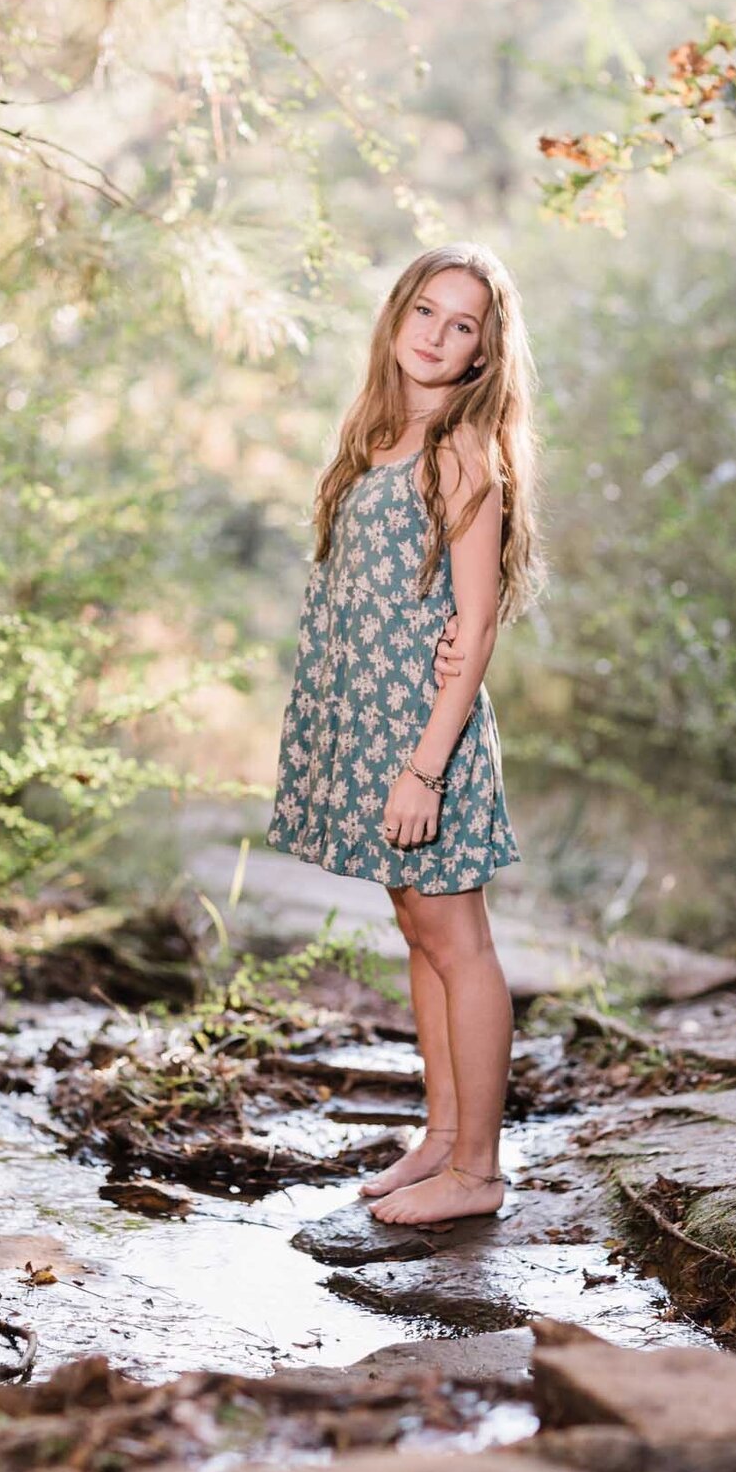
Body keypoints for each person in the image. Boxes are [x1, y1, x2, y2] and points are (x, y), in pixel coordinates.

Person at [265, 241, 543, 1227]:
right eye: (426, 311)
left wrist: (424, 765)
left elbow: (474, 626)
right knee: (420, 930)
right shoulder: (376, 435)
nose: (437, 335)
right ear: (396, 317)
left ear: (481, 353)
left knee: (459, 941)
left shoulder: (460, 453)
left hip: (428, 737)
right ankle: (441, 1134)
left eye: (461, 324)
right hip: (373, 727)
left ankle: (478, 1172)